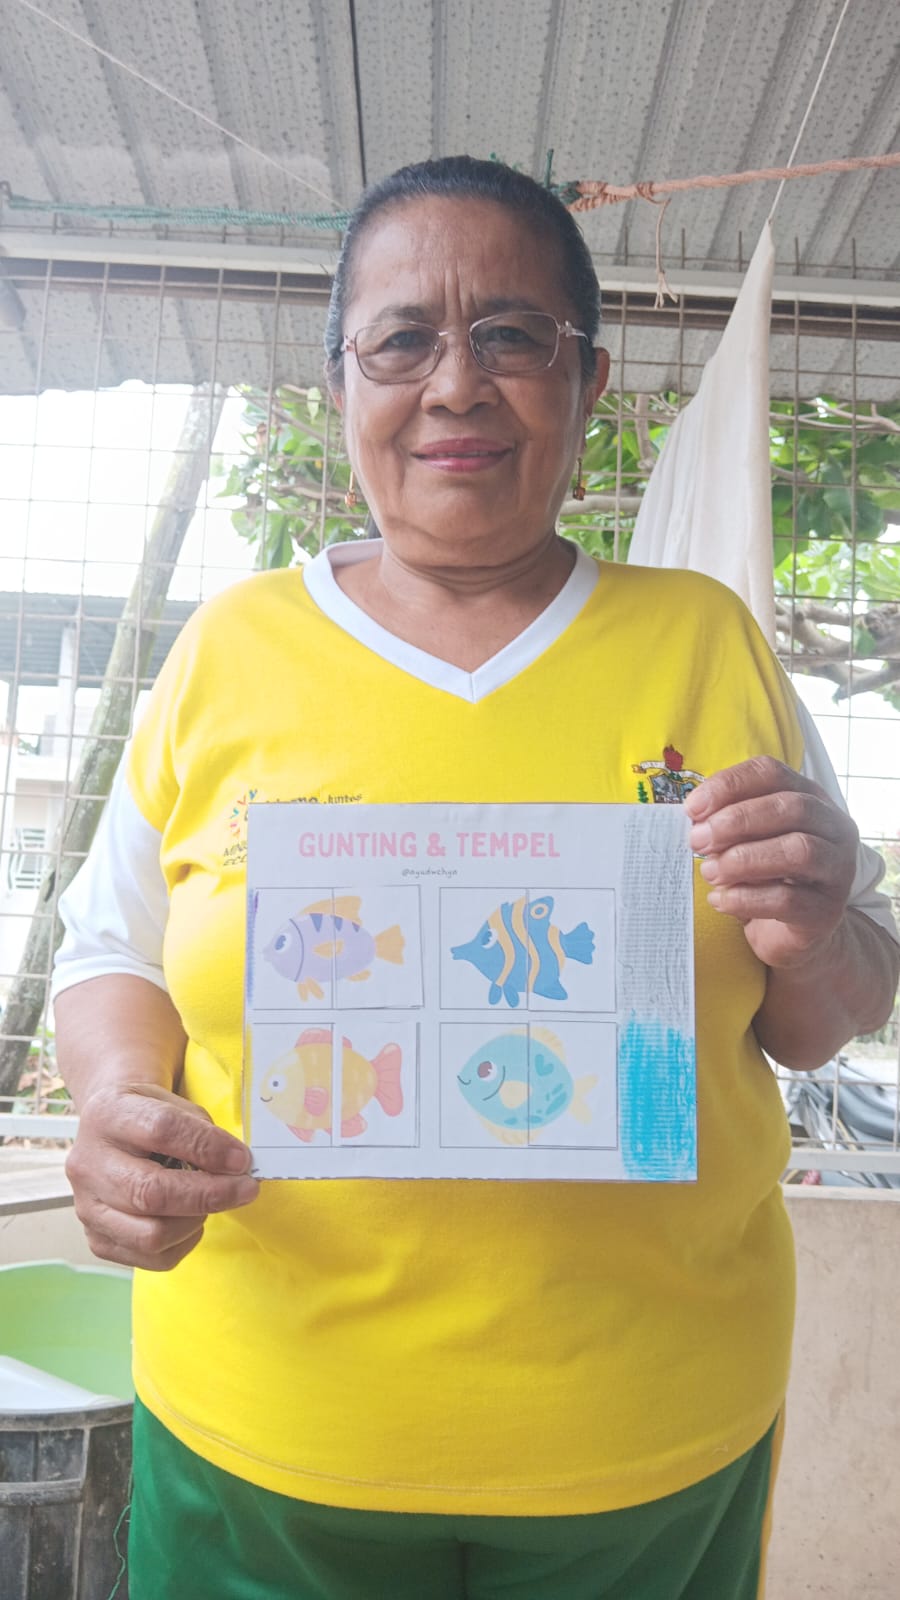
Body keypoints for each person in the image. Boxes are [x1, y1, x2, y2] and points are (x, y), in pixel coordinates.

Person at [52, 155, 898, 1600]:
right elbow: (112, 948)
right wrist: (123, 1104)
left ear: (587, 378)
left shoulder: (706, 642)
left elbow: (825, 1014)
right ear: (340, 383)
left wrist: (820, 933)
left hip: (641, 1440)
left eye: (511, 335)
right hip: (267, 1423)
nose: (456, 385)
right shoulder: (229, 650)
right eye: (402, 340)